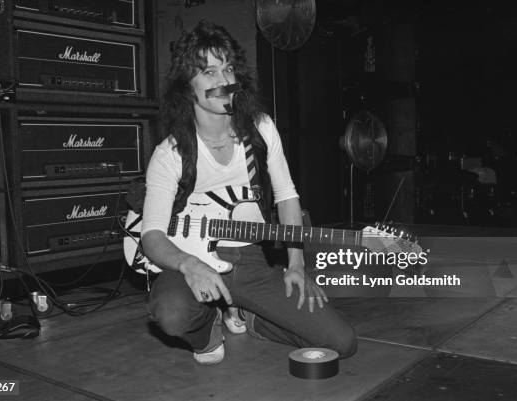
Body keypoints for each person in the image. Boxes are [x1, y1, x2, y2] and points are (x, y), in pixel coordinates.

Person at [141, 20, 356, 365]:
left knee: (340, 343)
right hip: (192, 258)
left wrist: (296, 264)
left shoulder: (260, 128)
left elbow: (287, 196)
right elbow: (150, 236)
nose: (223, 81)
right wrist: (189, 264)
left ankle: (253, 319)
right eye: (209, 73)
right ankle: (205, 330)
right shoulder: (171, 153)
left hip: (250, 258)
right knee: (171, 312)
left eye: (227, 69)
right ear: (187, 87)